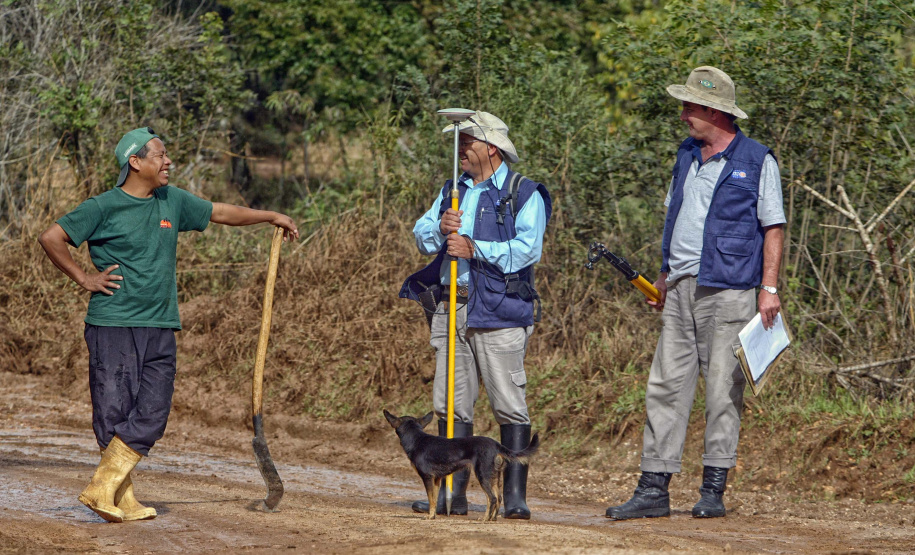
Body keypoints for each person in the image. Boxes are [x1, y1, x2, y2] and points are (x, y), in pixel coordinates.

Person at [38, 127, 299, 523]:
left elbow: (220, 212)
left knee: (154, 412)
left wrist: (271, 217)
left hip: (161, 324)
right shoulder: (102, 206)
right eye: (160, 155)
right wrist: (84, 278)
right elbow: (52, 237)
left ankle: (103, 487)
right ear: (135, 162)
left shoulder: (171, 201)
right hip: (114, 324)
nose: (168, 162)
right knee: (114, 412)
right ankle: (118, 496)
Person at [605, 67, 785, 520]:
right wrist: (664, 275)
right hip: (681, 287)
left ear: (714, 110)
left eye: (689, 107)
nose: (683, 115)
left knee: (724, 390)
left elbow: (774, 228)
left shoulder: (759, 160)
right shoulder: (686, 155)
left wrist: (769, 289)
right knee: (665, 386)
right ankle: (653, 489)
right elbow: (675, 217)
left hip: (730, 292)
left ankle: (712, 491)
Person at [399, 111, 551, 519]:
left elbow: (528, 249)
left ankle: (514, 498)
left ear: (492, 148)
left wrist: (476, 247)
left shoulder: (525, 192)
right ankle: (453, 495)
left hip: (500, 309)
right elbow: (422, 233)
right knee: (450, 405)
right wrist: (439, 229)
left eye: (467, 141)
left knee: (508, 403)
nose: (460, 149)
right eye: (459, 141)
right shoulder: (453, 189)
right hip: (452, 305)